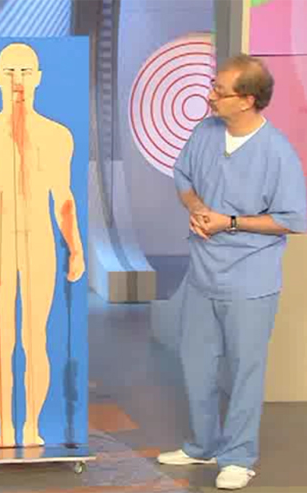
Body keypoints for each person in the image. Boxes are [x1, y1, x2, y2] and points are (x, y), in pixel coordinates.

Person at [157, 54, 307, 490]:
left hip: (250, 281)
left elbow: (294, 218)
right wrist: (197, 207)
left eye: (219, 91)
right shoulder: (204, 133)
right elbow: (183, 176)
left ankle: (239, 456)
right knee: (196, 363)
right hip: (202, 275)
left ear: (247, 100)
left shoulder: (277, 152)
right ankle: (202, 445)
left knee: (244, 370)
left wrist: (231, 222)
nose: (209, 96)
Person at [0, 43, 85, 448]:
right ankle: (6, 427)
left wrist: (75, 247)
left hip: (39, 241)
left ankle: (32, 426)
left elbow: (63, 198)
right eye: (10, 71)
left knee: (35, 338)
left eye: (25, 71)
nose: (18, 80)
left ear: (38, 77)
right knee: (1, 339)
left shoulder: (57, 137)